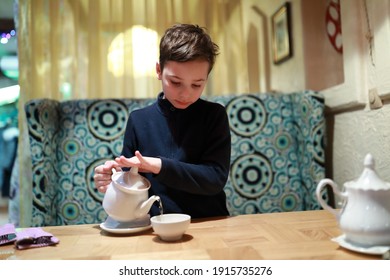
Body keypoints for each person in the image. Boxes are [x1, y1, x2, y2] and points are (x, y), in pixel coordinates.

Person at [94, 23, 231, 218]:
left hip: (209, 221)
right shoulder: (139, 120)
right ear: (159, 70)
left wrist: (157, 165)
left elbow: (214, 179)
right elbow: (129, 178)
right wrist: (111, 178)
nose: (186, 93)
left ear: (206, 79)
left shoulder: (214, 116)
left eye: (197, 84)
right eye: (175, 82)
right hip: (155, 227)